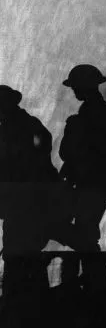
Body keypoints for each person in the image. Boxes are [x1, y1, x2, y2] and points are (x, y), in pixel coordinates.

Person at [55, 64, 106, 288]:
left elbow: (94, 153)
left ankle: (94, 284)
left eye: (76, 86)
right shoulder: (93, 112)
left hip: (94, 184)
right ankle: (92, 281)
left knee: (84, 231)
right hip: (92, 183)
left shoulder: (94, 113)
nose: (74, 91)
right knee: (82, 231)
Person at [0, 85, 59, 295]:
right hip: (27, 197)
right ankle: (29, 296)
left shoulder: (14, 127)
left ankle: (19, 298)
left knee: (19, 248)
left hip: (23, 198)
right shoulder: (26, 124)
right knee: (25, 248)